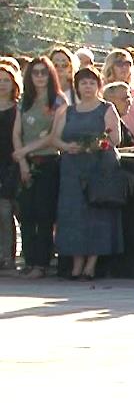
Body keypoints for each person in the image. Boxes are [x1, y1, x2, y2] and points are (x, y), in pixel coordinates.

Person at [47, 67, 124, 280]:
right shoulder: (68, 111)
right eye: (83, 83)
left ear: (98, 86)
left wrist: (96, 145)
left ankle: (91, 264)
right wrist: (67, 146)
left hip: (99, 167)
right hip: (72, 169)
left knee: (96, 214)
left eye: (91, 83)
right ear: (77, 87)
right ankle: (76, 262)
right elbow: (54, 138)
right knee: (73, 214)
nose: (87, 87)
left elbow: (115, 139)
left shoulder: (107, 108)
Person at [10, 57, 65, 278]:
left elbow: (54, 136)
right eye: (36, 72)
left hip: (48, 161)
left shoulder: (58, 101)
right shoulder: (24, 101)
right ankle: (30, 260)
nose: (40, 77)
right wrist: (23, 161)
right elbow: (17, 133)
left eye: (44, 72)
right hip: (26, 163)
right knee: (26, 213)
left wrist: (25, 150)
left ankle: (41, 263)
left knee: (44, 213)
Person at [101, 48, 134, 146]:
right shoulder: (102, 91)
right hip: (116, 143)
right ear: (110, 66)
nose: (124, 67)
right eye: (119, 64)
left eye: (127, 63)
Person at [0, 63, 18, 269]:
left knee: (6, 211)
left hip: (12, 164)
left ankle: (8, 257)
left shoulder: (18, 110)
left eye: (6, 80)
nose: (2, 84)